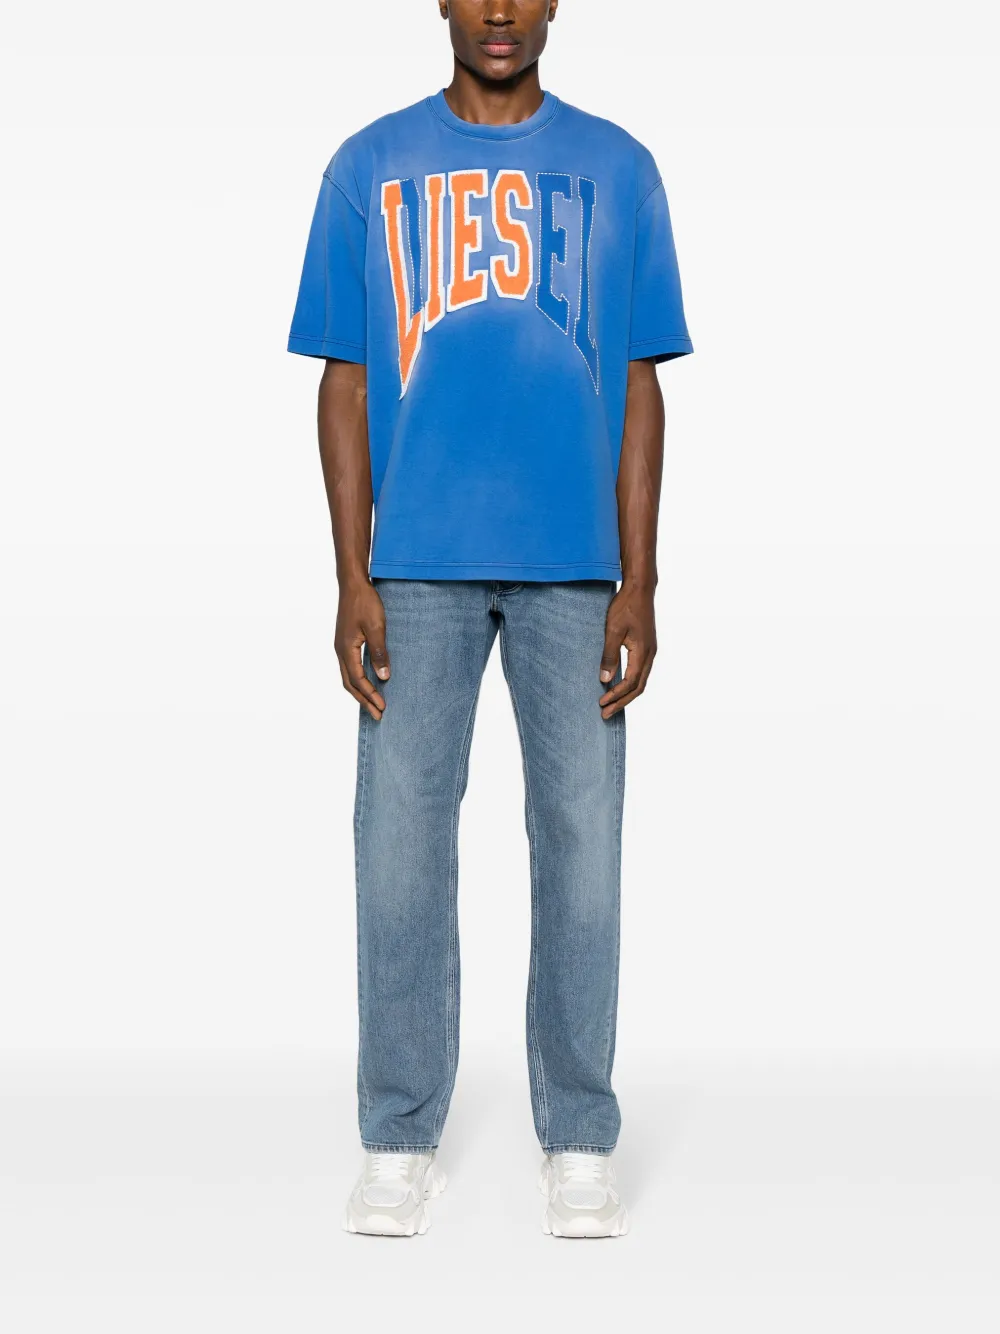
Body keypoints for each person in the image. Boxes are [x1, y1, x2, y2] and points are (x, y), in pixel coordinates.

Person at [287, 0, 692, 1239]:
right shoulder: (368, 167)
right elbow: (345, 381)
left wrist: (640, 578)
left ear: (557, 1)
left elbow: (639, 384)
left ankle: (579, 1131)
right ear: (442, 2)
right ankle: (397, 1129)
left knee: (582, 850)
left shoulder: (621, 170)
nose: (501, 11)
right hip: (415, 564)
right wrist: (351, 575)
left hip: (576, 569)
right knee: (398, 852)